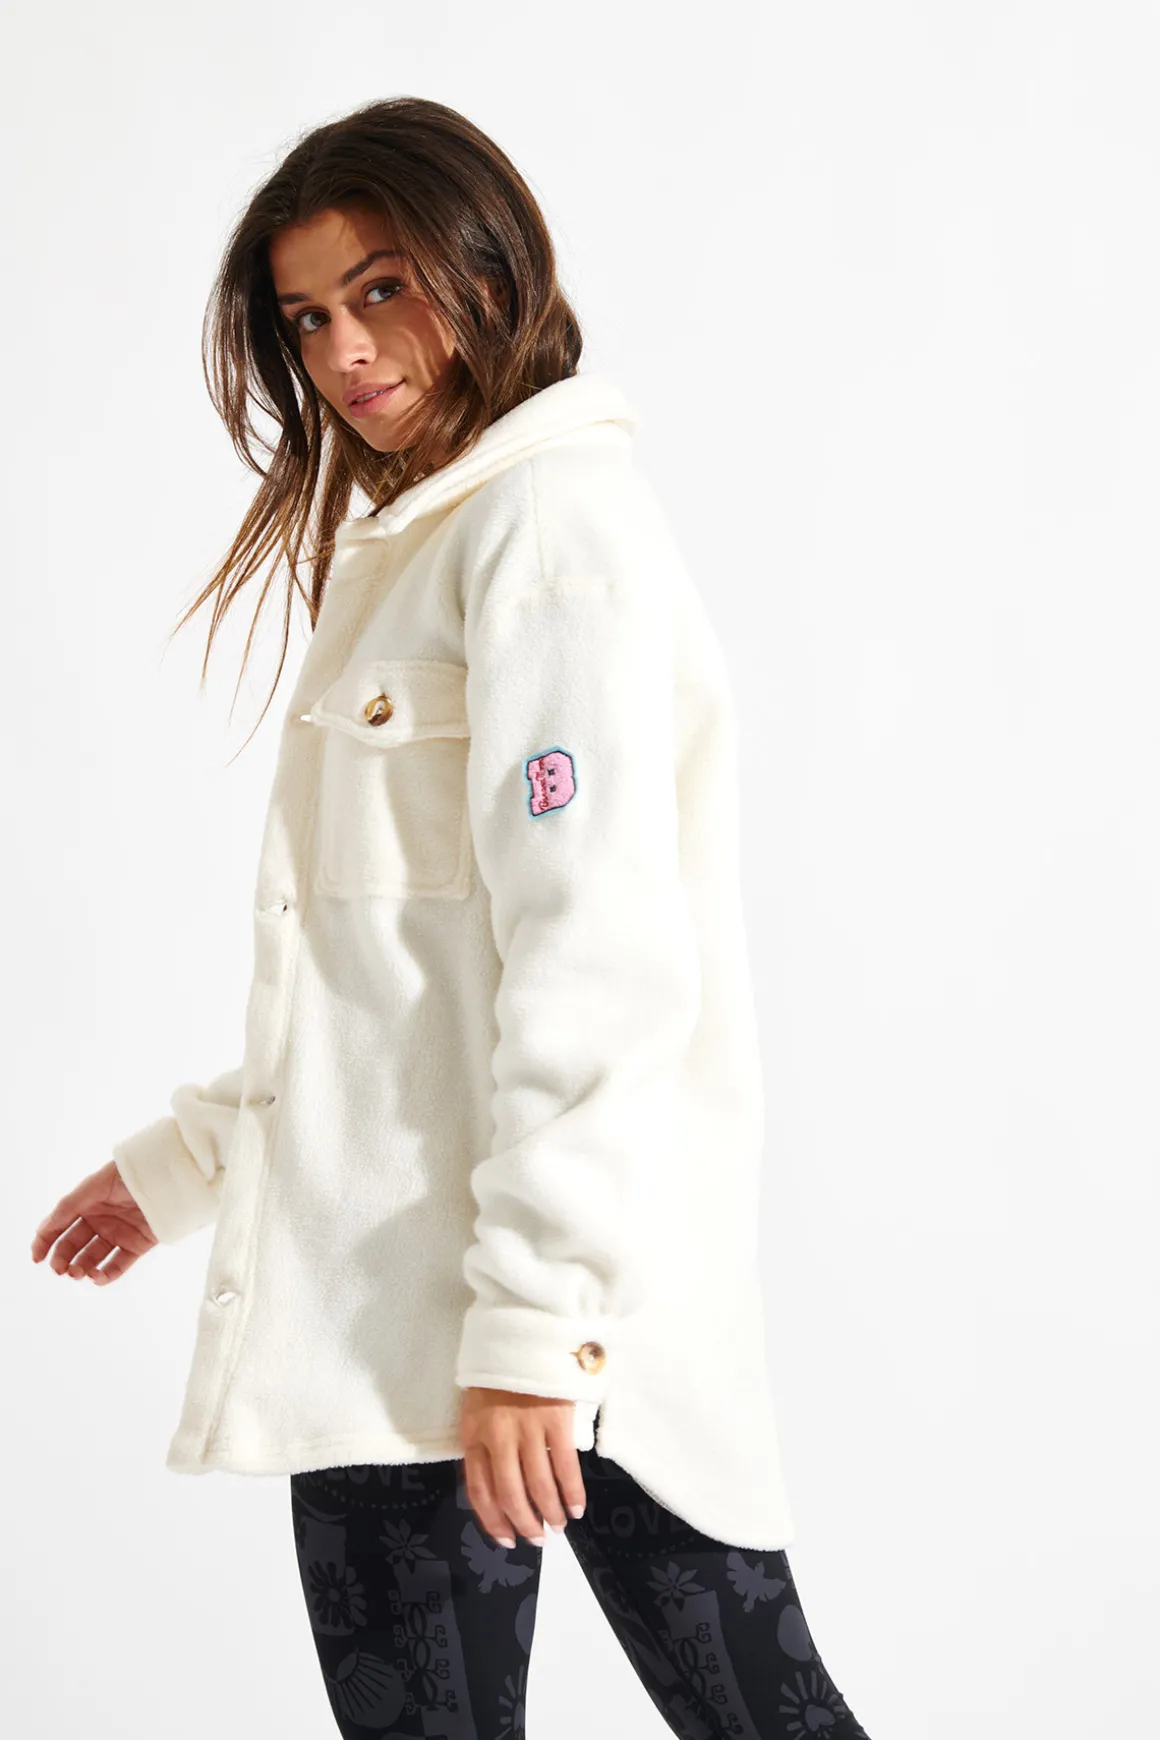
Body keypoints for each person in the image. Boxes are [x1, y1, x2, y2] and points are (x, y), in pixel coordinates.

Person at [30, 96, 873, 1738]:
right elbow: (397, 985)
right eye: (306, 319)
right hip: (388, 1318)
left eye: (382, 290)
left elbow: (595, 958)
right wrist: (187, 1164)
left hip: (545, 1333)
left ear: (489, 267)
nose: (344, 351)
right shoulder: (422, 544)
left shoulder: (548, 530)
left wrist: (537, 1327)